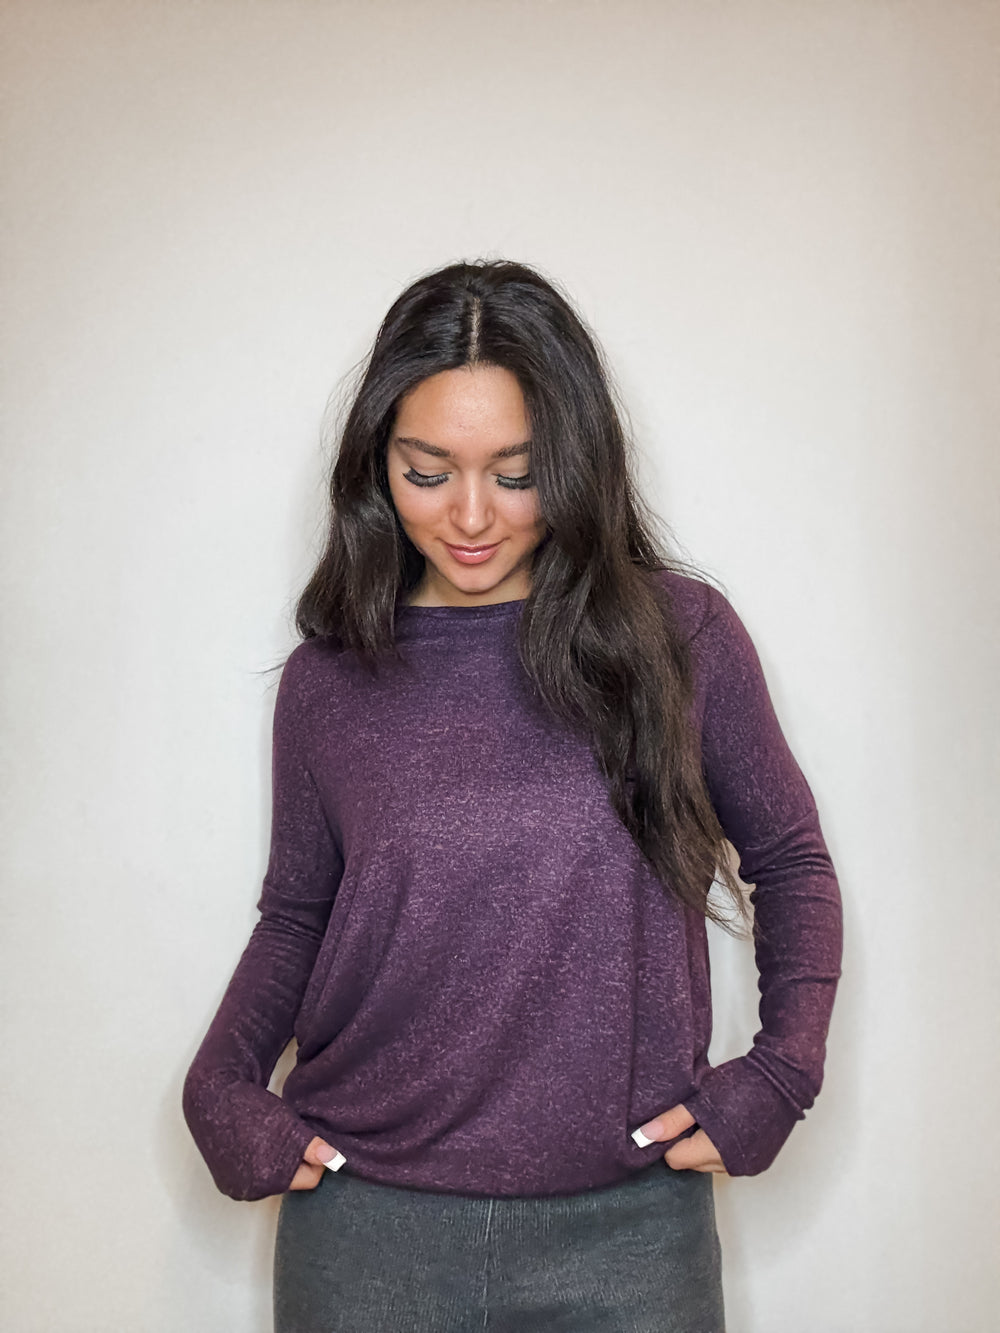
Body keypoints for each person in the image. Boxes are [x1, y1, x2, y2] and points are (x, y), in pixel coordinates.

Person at [182, 259, 842, 1332]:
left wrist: (782, 1073)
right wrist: (218, 1083)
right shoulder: (329, 680)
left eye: (518, 472)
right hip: (367, 1225)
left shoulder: (683, 638)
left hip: (631, 1229)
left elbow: (791, 861)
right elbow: (298, 916)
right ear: (377, 464)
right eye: (428, 471)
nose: (472, 514)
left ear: (574, 463)